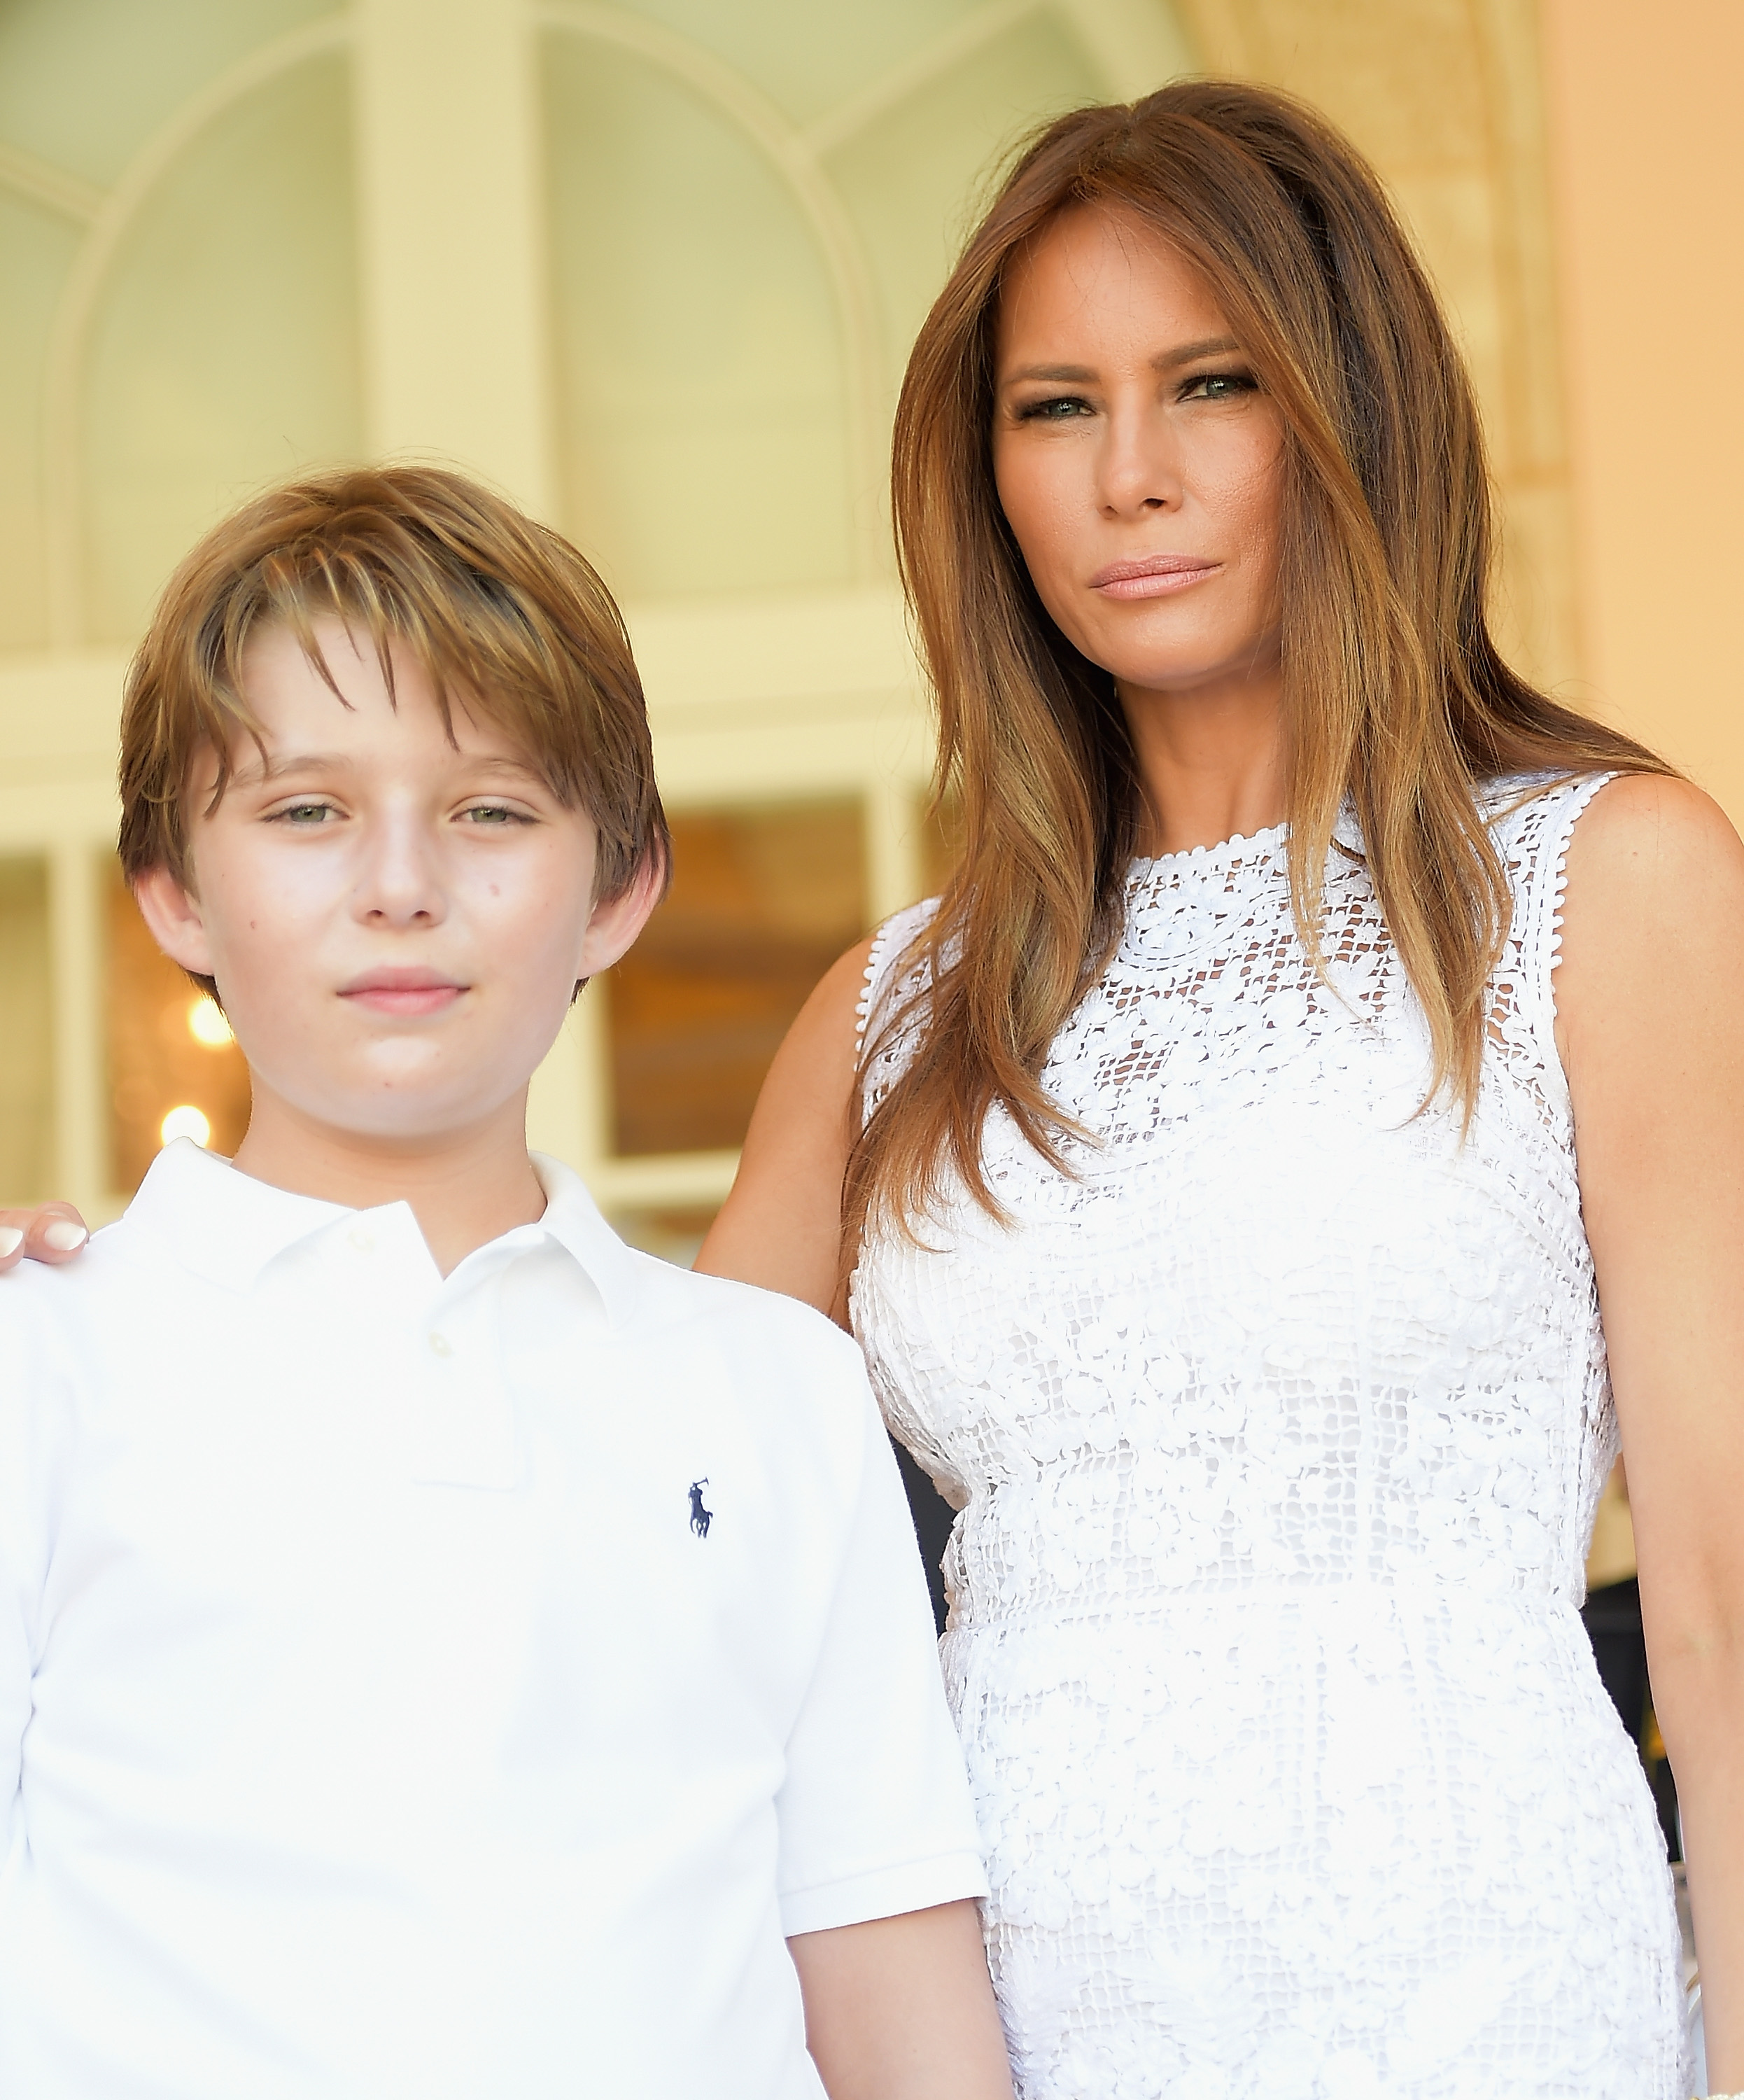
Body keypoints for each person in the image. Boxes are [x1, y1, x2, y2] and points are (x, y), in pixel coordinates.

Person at [693, 83, 1744, 2099]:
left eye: (1212, 383)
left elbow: (1715, 1609)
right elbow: (641, 1529)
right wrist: (124, 1318)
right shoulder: (895, 1013)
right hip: (1005, 2031)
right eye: (1055, 408)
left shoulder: (1604, 885)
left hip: (1486, 2004)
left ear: (1352, 415)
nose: (1132, 477)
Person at [0, 466, 1013, 2100]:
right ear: (174, 891)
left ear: (617, 891)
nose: (401, 884)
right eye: (306, 812)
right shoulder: (42, 1358)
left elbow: (894, 1995)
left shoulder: (776, 1389)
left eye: (490, 811)